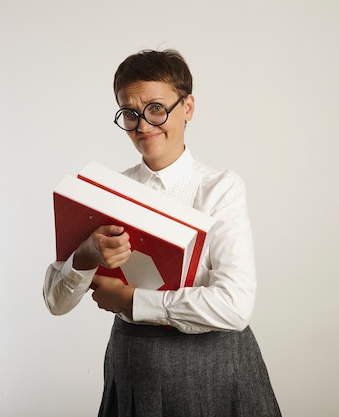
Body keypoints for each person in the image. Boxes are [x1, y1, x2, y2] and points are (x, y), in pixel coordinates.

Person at [43, 49, 281, 417]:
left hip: (212, 365)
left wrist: (131, 300)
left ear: (187, 107)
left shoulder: (220, 188)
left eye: (156, 108)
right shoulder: (107, 193)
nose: (143, 125)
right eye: (130, 114)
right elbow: (56, 303)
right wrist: (85, 255)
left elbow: (235, 306)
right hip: (132, 362)